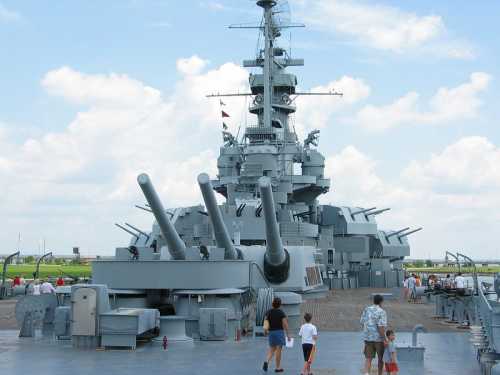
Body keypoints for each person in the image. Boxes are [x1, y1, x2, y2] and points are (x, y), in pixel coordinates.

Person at [360, 294, 387, 375]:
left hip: (368, 338)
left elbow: (362, 321)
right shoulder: (382, 312)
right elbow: (380, 327)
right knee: (380, 359)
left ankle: (366, 373)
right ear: (381, 302)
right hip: (378, 339)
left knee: (368, 358)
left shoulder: (366, 309)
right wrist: (385, 339)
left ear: (374, 301)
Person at [262, 297, 291, 373]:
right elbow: (285, 324)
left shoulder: (268, 312)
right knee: (278, 350)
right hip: (279, 332)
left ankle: (266, 361)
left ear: (272, 304)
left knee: (272, 350)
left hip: (271, 333)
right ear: (280, 304)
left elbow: (265, 323)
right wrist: (288, 335)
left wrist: (265, 331)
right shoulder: (281, 313)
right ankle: (277, 367)